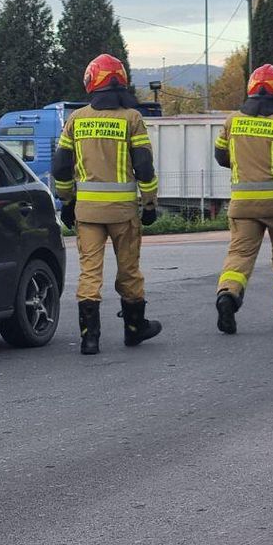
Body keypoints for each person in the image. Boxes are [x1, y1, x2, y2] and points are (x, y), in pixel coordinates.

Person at [51, 54, 162, 355]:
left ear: (91, 82)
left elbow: (60, 166)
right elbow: (144, 166)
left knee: (89, 273)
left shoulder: (76, 119)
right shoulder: (132, 119)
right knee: (129, 271)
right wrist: (149, 204)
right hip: (123, 212)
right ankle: (135, 329)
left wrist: (67, 201)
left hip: (87, 212)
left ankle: (90, 338)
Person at [213, 64, 273, 333]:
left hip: (242, 204)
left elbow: (221, 157)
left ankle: (228, 294)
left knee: (240, 254)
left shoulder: (232, 121)